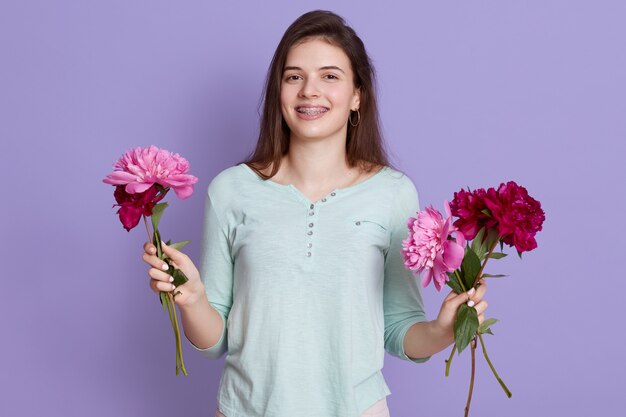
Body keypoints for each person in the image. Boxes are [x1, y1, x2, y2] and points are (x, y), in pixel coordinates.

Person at [142, 10, 488, 417]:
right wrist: (194, 299)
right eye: (294, 77)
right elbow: (216, 341)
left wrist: (442, 331)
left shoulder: (392, 193)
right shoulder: (230, 191)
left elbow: (399, 331)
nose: (309, 91)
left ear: (357, 95)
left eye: (329, 76)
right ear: (279, 91)